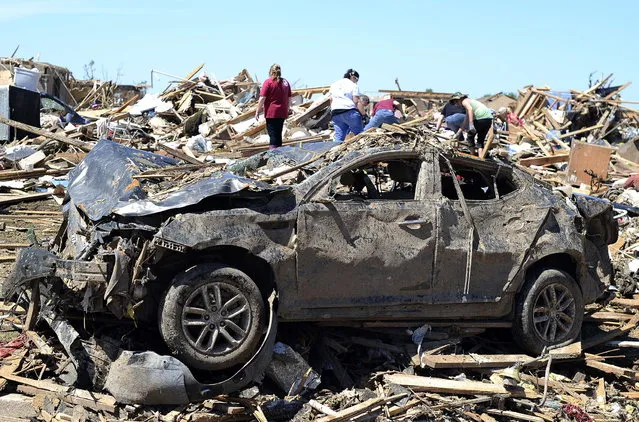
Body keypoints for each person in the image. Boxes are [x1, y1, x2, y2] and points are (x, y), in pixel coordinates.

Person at [255, 64, 292, 149]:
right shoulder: (285, 82)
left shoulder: (268, 82)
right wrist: (287, 109)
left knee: (273, 135)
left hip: (271, 113)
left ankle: (273, 154)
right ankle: (279, 153)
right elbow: (289, 97)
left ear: (270, 72)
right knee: (278, 135)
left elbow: (262, 98)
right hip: (282, 112)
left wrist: (257, 111)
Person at [329, 69, 365, 142]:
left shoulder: (334, 85)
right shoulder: (353, 85)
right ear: (353, 77)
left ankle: (335, 152)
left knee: (339, 137)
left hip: (336, 113)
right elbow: (356, 101)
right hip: (349, 112)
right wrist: (364, 115)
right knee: (360, 135)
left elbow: (331, 100)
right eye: (356, 80)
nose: (356, 82)